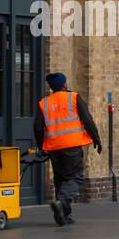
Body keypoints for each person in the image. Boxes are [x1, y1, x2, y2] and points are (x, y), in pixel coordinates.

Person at [34, 73, 102, 226]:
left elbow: (37, 127)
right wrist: (96, 139)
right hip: (71, 145)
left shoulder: (44, 103)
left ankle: (65, 215)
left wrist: (41, 147)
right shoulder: (73, 98)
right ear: (64, 84)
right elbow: (87, 120)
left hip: (54, 147)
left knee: (61, 179)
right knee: (75, 177)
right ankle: (62, 203)